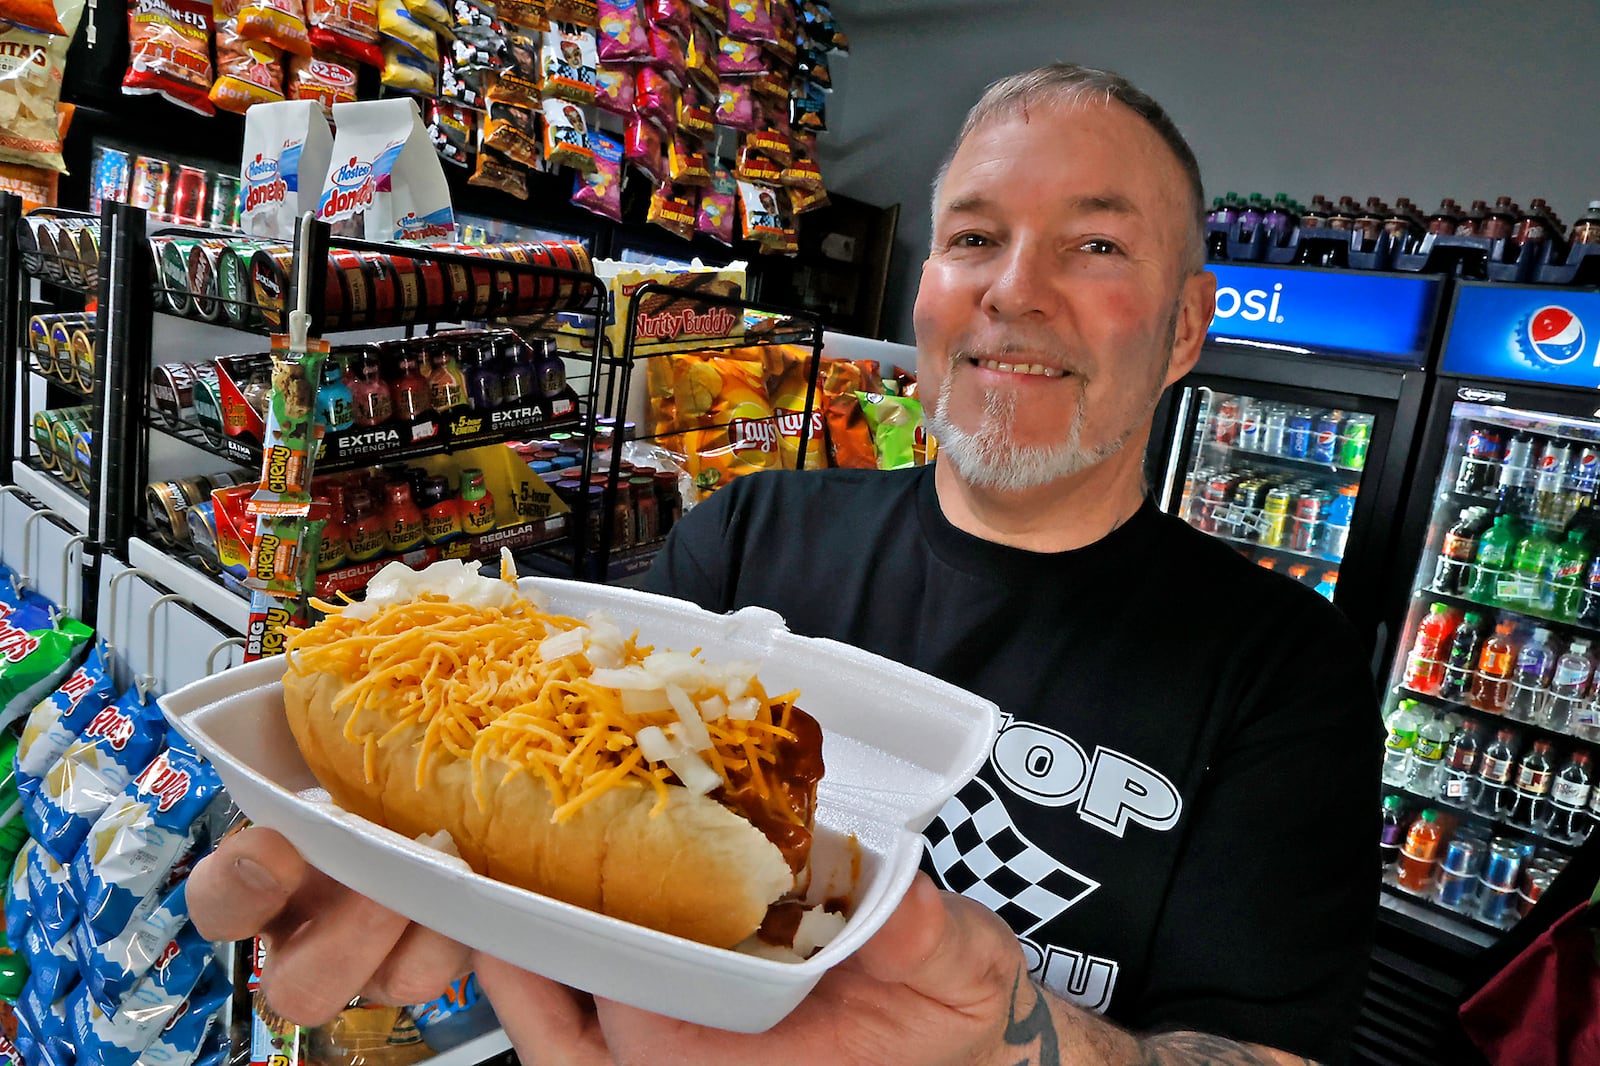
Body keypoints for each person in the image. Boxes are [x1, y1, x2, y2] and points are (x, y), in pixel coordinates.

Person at [188, 64, 1380, 1065]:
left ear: (1182, 327)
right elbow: (551, 790)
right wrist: (395, 847)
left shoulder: (1288, 671)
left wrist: (1014, 1041)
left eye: (1096, 245)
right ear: (927, 290)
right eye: (974, 237)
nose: (1015, 291)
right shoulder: (752, 533)